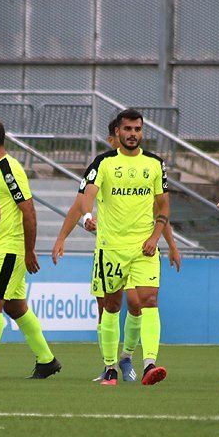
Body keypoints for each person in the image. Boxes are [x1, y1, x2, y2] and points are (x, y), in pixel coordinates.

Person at [52, 116, 181, 383]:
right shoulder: (103, 163)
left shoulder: (154, 164)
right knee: (110, 306)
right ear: (116, 132)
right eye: (128, 129)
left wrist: (163, 241)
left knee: (146, 301)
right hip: (110, 249)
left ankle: (147, 363)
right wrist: (81, 222)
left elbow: (162, 207)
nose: (133, 133)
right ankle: (110, 366)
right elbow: (84, 198)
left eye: (137, 129)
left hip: (144, 248)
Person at [0, 118, 62, 379]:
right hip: (1, 248)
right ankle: (46, 359)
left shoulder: (9, 169)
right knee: (14, 307)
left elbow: (28, 210)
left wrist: (29, 250)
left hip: (8, 249)